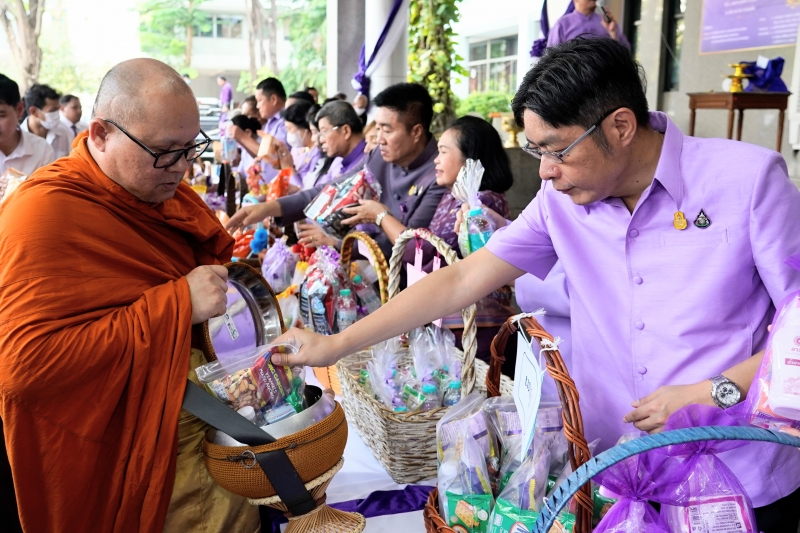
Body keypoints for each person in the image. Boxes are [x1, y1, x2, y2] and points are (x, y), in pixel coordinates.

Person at [269, 39, 800, 533]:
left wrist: (713, 391)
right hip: (615, 471)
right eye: (534, 151)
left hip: (736, 473)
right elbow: (461, 278)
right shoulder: (560, 202)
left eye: (557, 150)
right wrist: (337, 344)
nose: (544, 172)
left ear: (620, 126)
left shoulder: (747, 181)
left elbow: (797, 326)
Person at [0, 58, 261, 533]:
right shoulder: (44, 214)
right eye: (163, 152)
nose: (182, 168)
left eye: (190, 148)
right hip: (140, 457)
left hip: (206, 440)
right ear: (100, 134)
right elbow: (26, 370)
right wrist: (177, 305)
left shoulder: (157, 192)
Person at [227, 83, 445, 262]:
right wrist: (269, 208)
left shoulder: (439, 173)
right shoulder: (379, 156)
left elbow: (413, 248)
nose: (379, 139)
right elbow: (331, 190)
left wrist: (375, 220)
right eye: (377, 128)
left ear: (416, 132)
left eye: (386, 130)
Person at [228, 77, 287, 185]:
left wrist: (243, 137)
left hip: (282, 186)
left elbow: (274, 156)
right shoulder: (269, 123)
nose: (258, 106)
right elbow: (260, 154)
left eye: (260, 101)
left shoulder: (286, 122)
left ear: (273, 99)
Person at [0, 74, 55, 177]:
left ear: (19, 110)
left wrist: (25, 183)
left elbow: (46, 186)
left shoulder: (42, 150)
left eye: (1, 115)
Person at [21, 84, 74, 159]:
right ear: (34, 111)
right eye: (52, 110)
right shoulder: (18, 138)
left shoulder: (64, 132)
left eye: (57, 109)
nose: (57, 114)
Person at [547, 0, 629, 49]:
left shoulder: (606, 22)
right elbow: (551, 57)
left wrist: (613, 33)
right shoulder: (562, 24)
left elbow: (626, 50)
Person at [279, 100, 323, 188]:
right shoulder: (306, 151)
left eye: (290, 129)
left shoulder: (318, 154)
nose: (288, 133)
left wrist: (289, 168)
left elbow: (305, 190)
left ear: (304, 129)